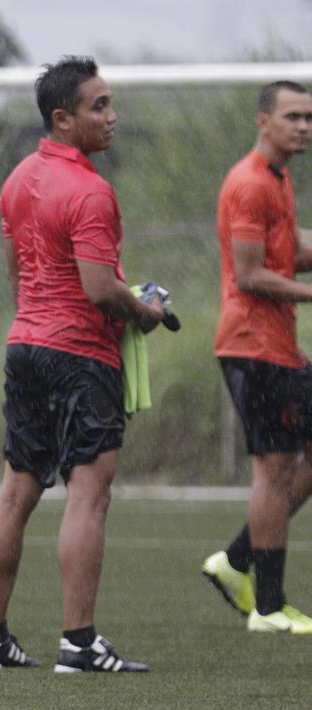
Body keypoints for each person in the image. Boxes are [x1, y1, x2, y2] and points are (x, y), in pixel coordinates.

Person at [0, 56, 165, 673]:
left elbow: (17, 274)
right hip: (79, 357)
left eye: (110, 104)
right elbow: (100, 290)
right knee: (89, 497)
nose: (112, 117)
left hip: (25, 345)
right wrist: (146, 311)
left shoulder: (16, 178)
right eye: (98, 107)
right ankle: (79, 646)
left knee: (14, 496)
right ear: (62, 119)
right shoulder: (90, 190)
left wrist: (41, 319)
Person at [200, 80, 312, 635]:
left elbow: (290, 254)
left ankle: (236, 560)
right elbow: (249, 274)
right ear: (262, 121)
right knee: (274, 469)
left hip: (281, 348)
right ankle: (268, 608)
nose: (304, 127)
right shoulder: (249, 183)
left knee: (301, 457)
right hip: (253, 346)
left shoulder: (280, 179)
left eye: (309, 117)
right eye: (292, 116)